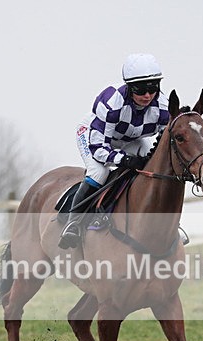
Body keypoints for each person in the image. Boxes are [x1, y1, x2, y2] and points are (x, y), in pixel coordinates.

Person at [59, 53, 170, 249]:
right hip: (95, 136)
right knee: (99, 172)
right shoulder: (112, 103)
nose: (147, 95)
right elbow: (99, 148)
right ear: (129, 87)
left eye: (153, 88)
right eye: (141, 89)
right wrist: (124, 160)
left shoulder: (162, 107)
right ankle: (72, 223)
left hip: (129, 138)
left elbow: (166, 140)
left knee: (151, 166)